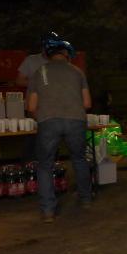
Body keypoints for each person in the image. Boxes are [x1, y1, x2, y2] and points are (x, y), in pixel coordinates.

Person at [26, 34, 92, 222]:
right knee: (79, 159)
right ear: (67, 54)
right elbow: (87, 103)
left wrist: (43, 118)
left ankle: (48, 211)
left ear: (48, 54)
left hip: (48, 121)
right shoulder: (77, 72)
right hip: (76, 120)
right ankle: (86, 199)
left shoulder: (39, 72)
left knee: (45, 165)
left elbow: (31, 106)